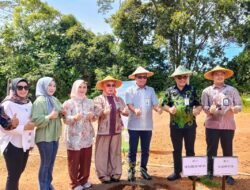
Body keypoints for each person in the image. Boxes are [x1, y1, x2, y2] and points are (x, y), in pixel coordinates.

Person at [201, 65, 242, 185]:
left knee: (228, 149)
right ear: (212, 76)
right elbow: (204, 107)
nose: (219, 76)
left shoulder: (232, 90)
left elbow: (239, 105)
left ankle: (228, 174)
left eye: (222, 74)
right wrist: (210, 110)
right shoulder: (206, 91)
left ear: (224, 76)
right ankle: (209, 171)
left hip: (228, 125)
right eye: (217, 74)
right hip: (212, 124)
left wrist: (236, 109)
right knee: (211, 149)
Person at [161, 65, 202, 181]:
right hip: (175, 126)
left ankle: (191, 172)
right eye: (179, 77)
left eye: (184, 77)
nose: (182, 79)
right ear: (175, 78)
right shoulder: (170, 91)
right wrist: (169, 109)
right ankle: (177, 172)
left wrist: (197, 111)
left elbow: (199, 104)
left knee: (190, 148)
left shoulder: (192, 89)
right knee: (177, 149)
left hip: (190, 125)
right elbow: (163, 104)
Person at [125, 66, 162, 182]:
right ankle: (131, 171)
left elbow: (155, 103)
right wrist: (134, 110)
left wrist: (158, 109)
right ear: (135, 78)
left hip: (147, 125)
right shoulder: (129, 90)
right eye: (139, 77)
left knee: (145, 149)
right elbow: (129, 104)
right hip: (134, 126)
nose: (142, 79)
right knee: (133, 150)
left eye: (144, 77)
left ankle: (143, 169)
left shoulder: (151, 90)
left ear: (146, 78)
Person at [0, 78, 36, 190]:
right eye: (20, 87)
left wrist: (31, 142)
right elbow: (3, 128)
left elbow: (31, 122)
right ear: (14, 88)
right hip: (11, 144)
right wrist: (21, 127)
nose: (23, 90)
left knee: (19, 172)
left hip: (25, 143)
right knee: (13, 175)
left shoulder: (29, 102)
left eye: (26, 87)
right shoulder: (7, 104)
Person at [94, 76, 129, 183]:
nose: (111, 87)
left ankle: (116, 173)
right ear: (103, 86)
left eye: (113, 85)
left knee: (115, 152)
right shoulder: (98, 99)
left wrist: (126, 111)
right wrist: (104, 112)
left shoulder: (119, 99)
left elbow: (125, 112)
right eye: (108, 85)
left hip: (117, 130)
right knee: (102, 153)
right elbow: (95, 115)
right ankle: (103, 175)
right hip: (103, 131)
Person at [31, 77, 64, 190]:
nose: (52, 88)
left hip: (54, 136)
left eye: (54, 86)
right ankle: (44, 187)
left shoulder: (54, 99)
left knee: (50, 163)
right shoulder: (39, 101)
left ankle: (48, 185)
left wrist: (62, 112)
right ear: (43, 86)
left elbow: (60, 111)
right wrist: (49, 117)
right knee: (46, 164)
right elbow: (35, 120)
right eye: (49, 85)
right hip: (44, 138)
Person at [63, 79, 95, 190]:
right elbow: (65, 120)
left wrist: (92, 116)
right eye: (79, 87)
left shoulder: (90, 102)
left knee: (86, 159)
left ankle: (84, 180)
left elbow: (94, 117)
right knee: (74, 160)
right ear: (75, 89)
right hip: (74, 136)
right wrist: (74, 118)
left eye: (84, 87)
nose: (82, 89)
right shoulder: (68, 103)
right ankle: (75, 183)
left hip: (87, 136)